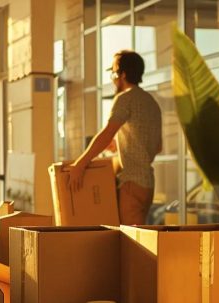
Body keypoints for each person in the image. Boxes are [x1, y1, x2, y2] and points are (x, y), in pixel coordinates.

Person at [68, 50, 162, 225]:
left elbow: (106, 134)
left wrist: (80, 165)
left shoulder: (125, 99)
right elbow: (157, 147)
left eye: (113, 73)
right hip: (148, 184)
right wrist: (124, 147)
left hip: (131, 183)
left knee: (131, 244)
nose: (112, 78)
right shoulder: (151, 102)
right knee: (139, 237)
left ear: (123, 74)